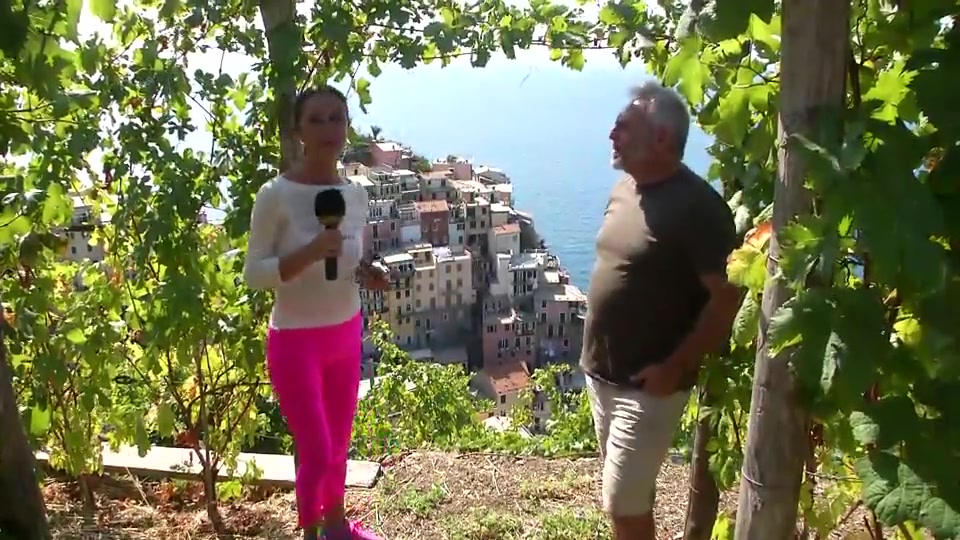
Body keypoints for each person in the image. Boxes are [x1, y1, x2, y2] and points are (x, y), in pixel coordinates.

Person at [580, 81, 741, 540]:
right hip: (602, 374)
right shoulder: (624, 190)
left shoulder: (699, 208)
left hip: (649, 385)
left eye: (624, 126)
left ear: (662, 138)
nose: (612, 134)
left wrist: (676, 366)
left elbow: (726, 298)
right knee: (629, 500)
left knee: (622, 502)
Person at [243, 86, 391, 540]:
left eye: (337, 118)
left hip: (345, 332)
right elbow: (253, 274)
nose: (330, 129)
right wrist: (309, 252)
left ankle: (338, 526)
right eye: (317, 120)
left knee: (341, 444)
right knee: (317, 449)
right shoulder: (276, 195)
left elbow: (347, 261)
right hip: (295, 339)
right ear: (297, 132)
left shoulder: (355, 195)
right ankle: (311, 533)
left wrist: (368, 272)